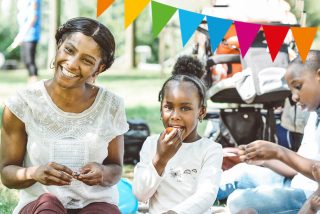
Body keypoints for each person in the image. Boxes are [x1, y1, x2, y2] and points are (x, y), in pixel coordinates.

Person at [0, 17, 129, 214]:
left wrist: (102, 172)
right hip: (41, 207)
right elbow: (7, 173)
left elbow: (116, 169)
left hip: (95, 205)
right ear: (59, 45)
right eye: (69, 50)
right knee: (48, 204)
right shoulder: (22, 103)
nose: (72, 63)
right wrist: (33, 173)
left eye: (87, 61)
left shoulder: (112, 105)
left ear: (99, 68)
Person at [217, 50, 320, 213]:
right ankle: (189, 193)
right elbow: (297, 168)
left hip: (308, 197)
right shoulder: (314, 115)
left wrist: (278, 152)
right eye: (292, 91)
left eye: (298, 87)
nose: (294, 97)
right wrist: (264, 158)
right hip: (294, 182)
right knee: (239, 171)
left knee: (239, 201)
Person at [132, 56, 223, 214]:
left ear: (201, 112)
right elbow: (141, 195)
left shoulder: (211, 149)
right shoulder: (151, 144)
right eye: (168, 107)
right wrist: (160, 160)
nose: (175, 116)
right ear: (161, 110)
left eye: (185, 108)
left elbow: (206, 195)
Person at [9, 0, 41, 84]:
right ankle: (31, 85)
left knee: (30, 61)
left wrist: (21, 35)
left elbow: (33, 18)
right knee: (26, 61)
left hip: (31, 35)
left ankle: (34, 86)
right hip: (24, 36)